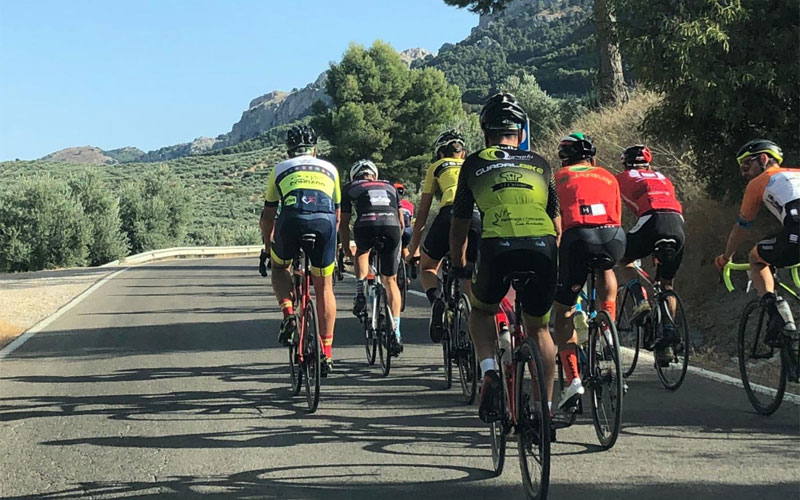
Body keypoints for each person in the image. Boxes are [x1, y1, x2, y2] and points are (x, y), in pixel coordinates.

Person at [450, 93, 561, 423]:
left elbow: (459, 224)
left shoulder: (474, 163)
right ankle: (544, 414)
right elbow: (557, 223)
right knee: (540, 330)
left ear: (485, 131)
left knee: (481, 312)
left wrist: (460, 265)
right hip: (543, 244)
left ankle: (489, 372)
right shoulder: (540, 162)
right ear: (521, 131)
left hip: (497, 244)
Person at [260, 125, 340, 375]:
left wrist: (267, 246)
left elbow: (268, 215)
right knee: (324, 286)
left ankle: (289, 315)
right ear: (315, 149)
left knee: (280, 267)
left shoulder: (280, 169)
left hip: (291, 220)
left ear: (289, 150)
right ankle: (326, 352)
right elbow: (337, 213)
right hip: (324, 222)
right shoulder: (331, 169)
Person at [553, 133, 625, 409]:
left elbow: (556, 223)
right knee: (607, 269)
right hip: (612, 237)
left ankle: (573, 380)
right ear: (592, 158)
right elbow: (616, 214)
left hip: (577, 239)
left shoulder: (558, 178)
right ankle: (608, 323)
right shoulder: (608, 176)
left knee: (564, 312)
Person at [715, 140, 799, 344]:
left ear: (763, 159)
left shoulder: (761, 181)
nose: (744, 172)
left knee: (757, 258)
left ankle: (777, 315)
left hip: (796, 231)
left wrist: (726, 257)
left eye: (746, 164)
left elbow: (742, 227)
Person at [406, 129, 482, 342]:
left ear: (440, 154)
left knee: (428, 267)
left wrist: (413, 249)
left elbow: (422, 211)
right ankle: (472, 327)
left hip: (449, 214)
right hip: (476, 217)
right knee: (467, 273)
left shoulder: (437, 166)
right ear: (463, 153)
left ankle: (437, 300)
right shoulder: (474, 165)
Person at [615, 144, 685, 365]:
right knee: (667, 285)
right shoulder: (663, 177)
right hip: (677, 224)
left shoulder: (621, 178)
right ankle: (667, 336)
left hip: (650, 221)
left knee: (623, 259)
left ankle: (639, 299)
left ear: (625, 163)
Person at [340, 160, 405, 356]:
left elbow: (343, 223)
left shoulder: (350, 187)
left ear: (354, 176)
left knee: (362, 251)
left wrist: (345, 250)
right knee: (390, 281)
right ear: (374, 175)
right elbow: (402, 221)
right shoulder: (390, 186)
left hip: (366, 224)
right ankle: (396, 331)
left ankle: (360, 291)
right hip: (392, 226)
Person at [395, 183, 415, 261]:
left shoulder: (390, 202)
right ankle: (408, 266)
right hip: (408, 230)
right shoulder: (409, 204)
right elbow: (410, 219)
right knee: (405, 247)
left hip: (397, 229)